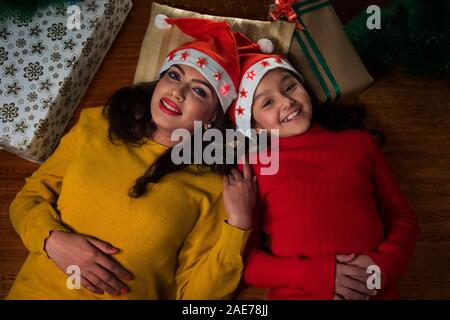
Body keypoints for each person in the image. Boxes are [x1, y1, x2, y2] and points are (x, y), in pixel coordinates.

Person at [6, 17, 257, 300]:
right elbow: (27, 199)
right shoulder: (97, 126)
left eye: (199, 90)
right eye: (173, 75)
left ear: (213, 117)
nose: (178, 91)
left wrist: (239, 224)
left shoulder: (214, 187)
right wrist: (52, 239)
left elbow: (195, 297)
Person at [227, 33, 418, 300]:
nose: (286, 102)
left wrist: (385, 264)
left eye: (289, 87)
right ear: (255, 124)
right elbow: (244, 259)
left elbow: (401, 215)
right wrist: (312, 275)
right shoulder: (252, 166)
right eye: (267, 102)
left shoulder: (358, 142)